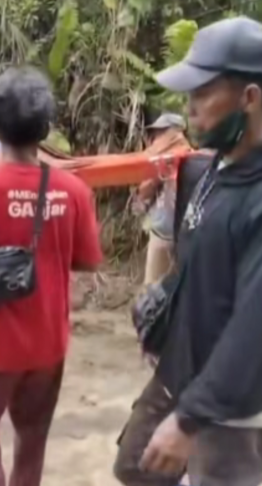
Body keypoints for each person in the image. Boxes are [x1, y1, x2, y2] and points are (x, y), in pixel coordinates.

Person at [0, 66, 102, 486]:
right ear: (45, 128)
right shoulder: (75, 190)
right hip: (48, 341)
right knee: (32, 436)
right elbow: (87, 261)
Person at [135, 17, 262, 483]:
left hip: (230, 414)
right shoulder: (217, 165)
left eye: (202, 94)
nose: (188, 109)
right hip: (186, 379)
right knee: (136, 469)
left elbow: (254, 327)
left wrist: (191, 417)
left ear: (249, 98)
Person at [113, 113, 194, 486]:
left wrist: (142, 196)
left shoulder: (170, 158)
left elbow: (142, 197)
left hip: (165, 240)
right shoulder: (193, 158)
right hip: (178, 243)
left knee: (154, 301)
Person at [133, 113, 191, 286]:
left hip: (164, 233)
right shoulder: (192, 155)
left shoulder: (167, 159)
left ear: (174, 132)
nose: (157, 137)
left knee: (153, 289)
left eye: (161, 131)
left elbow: (145, 190)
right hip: (186, 234)